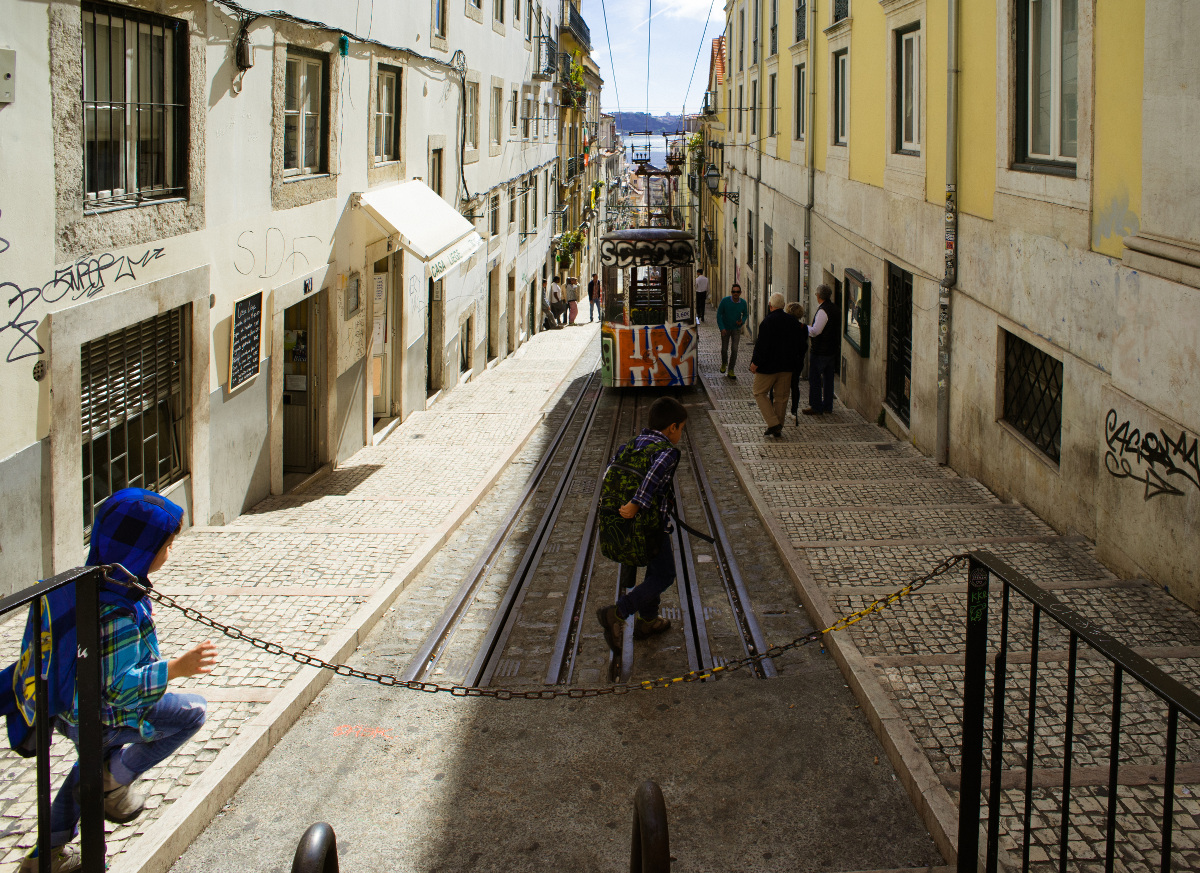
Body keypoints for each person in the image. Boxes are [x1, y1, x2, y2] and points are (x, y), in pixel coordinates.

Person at [21, 489, 216, 873]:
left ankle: (45, 854)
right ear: (142, 550)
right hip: (101, 711)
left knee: (90, 767)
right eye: (167, 545)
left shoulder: (95, 580)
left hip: (70, 708)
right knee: (192, 713)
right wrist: (176, 668)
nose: (170, 552)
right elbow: (120, 686)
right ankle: (116, 781)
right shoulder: (117, 610)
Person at [596, 397, 688, 650]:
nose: (680, 433)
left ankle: (647, 620)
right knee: (664, 575)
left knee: (654, 572)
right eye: (681, 428)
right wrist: (637, 503)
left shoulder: (632, 444)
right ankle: (616, 613)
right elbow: (654, 476)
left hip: (627, 524)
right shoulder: (667, 452)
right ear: (672, 428)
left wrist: (622, 508)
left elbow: (609, 474)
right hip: (650, 525)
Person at [750, 292, 805, 437]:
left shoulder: (768, 322)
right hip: (787, 366)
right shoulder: (793, 322)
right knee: (781, 397)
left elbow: (762, 345)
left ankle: (773, 423)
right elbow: (799, 345)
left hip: (768, 367)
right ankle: (778, 427)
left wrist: (755, 362)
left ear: (771, 306)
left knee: (759, 392)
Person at [804, 284, 840, 415]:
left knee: (814, 378)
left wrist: (804, 328)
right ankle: (828, 406)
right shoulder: (835, 308)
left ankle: (816, 406)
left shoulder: (823, 311)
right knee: (828, 379)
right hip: (832, 350)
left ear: (819, 296)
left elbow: (815, 331)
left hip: (821, 351)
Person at [716, 283, 748, 379]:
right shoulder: (725, 301)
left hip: (736, 329)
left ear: (740, 293)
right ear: (731, 292)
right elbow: (719, 315)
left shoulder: (743, 303)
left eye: (737, 292)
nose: (735, 293)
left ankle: (731, 369)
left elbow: (746, 314)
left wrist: (741, 321)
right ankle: (724, 362)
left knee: (734, 349)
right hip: (725, 329)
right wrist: (722, 328)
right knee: (724, 349)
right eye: (734, 292)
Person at [785, 302, 809, 424]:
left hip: (786, 360)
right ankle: (794, 411)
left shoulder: (785, 327)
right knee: (795, 385)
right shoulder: (803, 327)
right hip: (798, 360)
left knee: (783, 386)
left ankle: (780, 410)